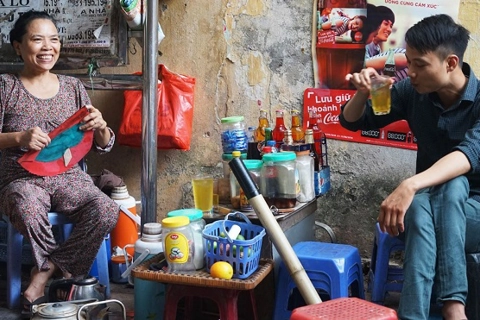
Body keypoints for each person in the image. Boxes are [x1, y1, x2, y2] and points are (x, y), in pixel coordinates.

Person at [340, 14, 478, 320]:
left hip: (475, 210)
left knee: (451, 186)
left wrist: (410, 184)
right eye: (409, 62)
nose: (410, 72)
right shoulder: (413, 92)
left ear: (451, 63)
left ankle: (416, 314)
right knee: (423, 206)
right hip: (428, 205)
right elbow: (352, 121)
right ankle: (454, 309)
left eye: (420, 64)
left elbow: (468, 154)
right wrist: (363, 93)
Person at [0, 10, 119, 313]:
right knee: (25, 204)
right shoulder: (5, 86)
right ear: (18, 46)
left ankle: (43, 274)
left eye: (53, 40)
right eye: (37, 39)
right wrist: (18, 138)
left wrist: (102, 127)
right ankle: (66, 278)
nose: (47, 47)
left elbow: (102, 145)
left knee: (106, 208)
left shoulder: (72, 87)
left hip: (67, 176)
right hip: (21, 178)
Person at [363, 5, 408, 82]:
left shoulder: (376, 49)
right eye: (386, 24)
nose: (389, 29)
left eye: (391, 26)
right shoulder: (365, 44)